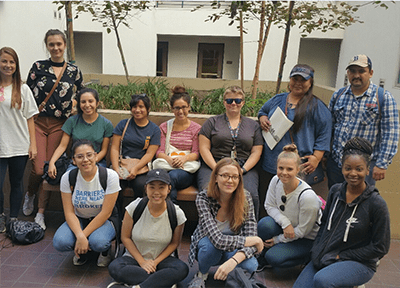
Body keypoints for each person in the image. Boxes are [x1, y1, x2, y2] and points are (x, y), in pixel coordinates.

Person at [293, 137, 390, 288]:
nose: (353, 173)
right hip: (327, 255)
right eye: (348, 168)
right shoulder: (335, 191)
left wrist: (342, 256)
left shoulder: (376, 204)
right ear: (342, 168)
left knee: (323, 281)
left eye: (359, 169)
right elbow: (324, 223)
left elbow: (381, 247)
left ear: (367, 170)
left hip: (359, 262)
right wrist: (317, 250)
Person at [23, 29, 84, 230]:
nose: (56, 48)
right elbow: (26, 93)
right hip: (39, 123)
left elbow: (83, 92)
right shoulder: (38, 67)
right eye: (51, 44)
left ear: (65, 45)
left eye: (59, 44)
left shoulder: (73, 71)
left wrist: (75, 101)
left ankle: (41, 212)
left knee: (51, 169)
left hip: (60, 125)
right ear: (47, 46)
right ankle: (30, 193)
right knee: (38, 168)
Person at [258, 64, 331, 214]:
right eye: (294, 79)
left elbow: (325, 133)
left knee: (295, 206)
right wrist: (263, 118)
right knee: (270, 203)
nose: (298, 83)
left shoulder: (316, 106)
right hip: (272, 163)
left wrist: (317, 158)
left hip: (299, 166)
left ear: (310, 82)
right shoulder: (278, 99)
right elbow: (263, 111)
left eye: (303, 80)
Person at [188, 158, 263, 288]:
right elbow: (217, 240)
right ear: (216, 177)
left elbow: (251, 234)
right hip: (210, 243)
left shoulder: (246, 198)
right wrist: (254, 241)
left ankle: (232, 274)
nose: (230, 180)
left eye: (234, 177)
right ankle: (201, 275)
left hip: (233, 248)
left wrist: (234, 260)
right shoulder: (203, 197)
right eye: (225, 176)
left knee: (251, 265)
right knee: (209, 248)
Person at [107, 169, 189, 288]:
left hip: (161, 261)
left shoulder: (177, 213)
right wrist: (142, 262)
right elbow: (125, 237)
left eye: (161, 187)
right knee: (115, 268)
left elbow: (174, 243)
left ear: (169, 189)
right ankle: (161, 282)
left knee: (182, 269)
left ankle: (138, 286)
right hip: (134, 258)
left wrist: (154, 262)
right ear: (146, 188)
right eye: (152, 187)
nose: (156, 192)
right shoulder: (134, 207)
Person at [327, 54, 399, 189]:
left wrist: (382, 164)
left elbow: (391, 133)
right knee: (336, 200)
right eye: (352, 71)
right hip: (337, 164)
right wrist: (326, 155)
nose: (356, 75)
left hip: (364, 168)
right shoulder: (338, 95)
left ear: (370, 73)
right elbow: (329, 127)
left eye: (361, 71)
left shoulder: (383, 98)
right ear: (348, 73)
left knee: (360, 205)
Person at [52, 139, 120, 267]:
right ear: (73, 160)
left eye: (89, 155)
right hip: (80, 218)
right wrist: (80, 235)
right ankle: (82, 252)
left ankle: (104, 252)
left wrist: (82, 236)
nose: (85, 160)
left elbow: (106, 213)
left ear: (96, 156)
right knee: (60, 242)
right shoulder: (68, 177)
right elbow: (69, 212)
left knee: (98, 242)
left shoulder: (110, 176)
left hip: (104, 219)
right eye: (80, 156)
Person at [198, 86, 263, 218]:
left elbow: (256, 151)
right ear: (224, 103)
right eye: (229, 100)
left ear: (243, 103)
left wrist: (242, 170)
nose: (233, 103)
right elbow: (204, 148)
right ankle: (208, 227)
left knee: (250, 194)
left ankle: (248, 230)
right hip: (214, 164)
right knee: (208, 191)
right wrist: (217, 169)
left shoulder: (253, 125)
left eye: (237, 100)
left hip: (243, 166)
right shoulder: (211, 122)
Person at [257, 144, 322, 270]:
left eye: (289, 169)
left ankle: (308, 257)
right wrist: (285, 223)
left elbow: (303, 231)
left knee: (274, 258)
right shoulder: (275, 180)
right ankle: (262, 255)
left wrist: (277, 240)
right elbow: (269, 205)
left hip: (306, 238)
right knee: (264, 225)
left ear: (298, 170)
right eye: (280, 168)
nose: (284, 173)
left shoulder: (307, 197)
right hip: (288, 228)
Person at [0, 47, 38, 232]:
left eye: (11, 62)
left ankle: (13, 218)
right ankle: (1, 216)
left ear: (16, 65)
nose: (8, 65)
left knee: (16, 183)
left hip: (19, 144)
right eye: (4, 61)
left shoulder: (23, 88)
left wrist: (33, 144)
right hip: (0, 145)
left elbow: (30, 118)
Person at [110, 94, 161, 213]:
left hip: (141, 168)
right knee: (114, 185)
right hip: (121, 165)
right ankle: (116, 217)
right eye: (134, 107)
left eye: (141, 107)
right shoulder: (123, 124)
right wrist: (116, 169)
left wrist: (136, 169)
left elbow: (149, 154)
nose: (137, 110)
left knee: (141, 186)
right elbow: (114, 148)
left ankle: (136, 216)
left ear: (148, 109)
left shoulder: (154, 129)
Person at [46, 88, 113, 176]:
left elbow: (104, 150)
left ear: (97, 103)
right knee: (70, 177)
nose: (87, 105)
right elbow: (62, 146)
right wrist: (52, 162)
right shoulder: (72, 121)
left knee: (97, 177)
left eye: (90, 101)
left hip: (97, 161)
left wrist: (89, 161)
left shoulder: (106, 124)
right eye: (83, 102)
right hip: (76, 162)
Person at [154, 86, 201, 203]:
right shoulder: (165, 127)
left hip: (186, 169)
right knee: (164, 179)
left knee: (170, 178)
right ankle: (169, 213)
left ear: (189, 107)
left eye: (184, 107)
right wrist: (169, 160)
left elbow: (196, 152)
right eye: (177, 108)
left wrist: (183, 159)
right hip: (167, 164)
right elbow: (159, 151)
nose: (180, 111)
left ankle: (168, 212)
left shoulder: (196, 129)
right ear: (172, 109)